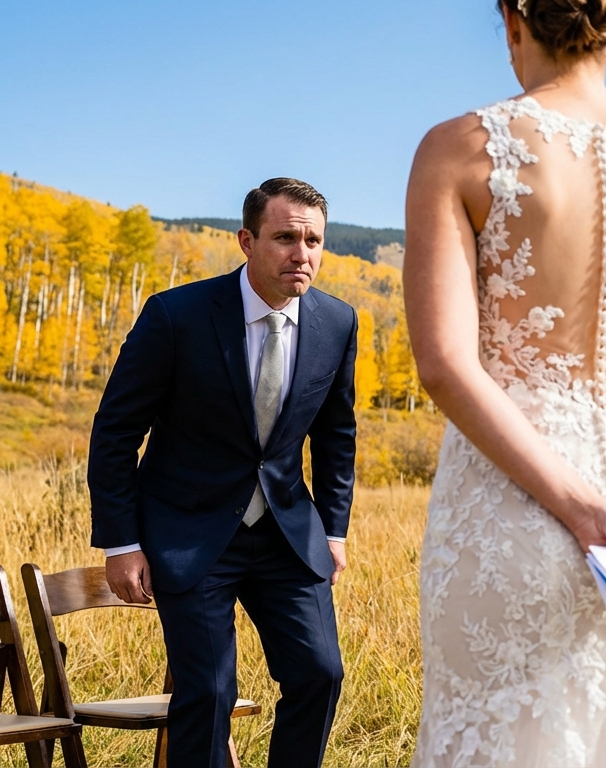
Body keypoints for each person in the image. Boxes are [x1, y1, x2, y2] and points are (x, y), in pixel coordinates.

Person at [402, 0, 606, 765]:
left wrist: (580, 510)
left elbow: (445, 364)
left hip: (509, 505)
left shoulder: (459, 148)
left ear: (515, 19)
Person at [88, 178, 357, 768]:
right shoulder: (176, 316)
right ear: (246, 240)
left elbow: (336, 435)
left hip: (288, 535)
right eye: (285, 236)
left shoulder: (337, 323)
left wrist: (333, 530)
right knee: (209, 694)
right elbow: (114, 432)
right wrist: (122, 541)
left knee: (320, 674)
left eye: (313, 240)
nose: (302, 253)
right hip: (189, 535)